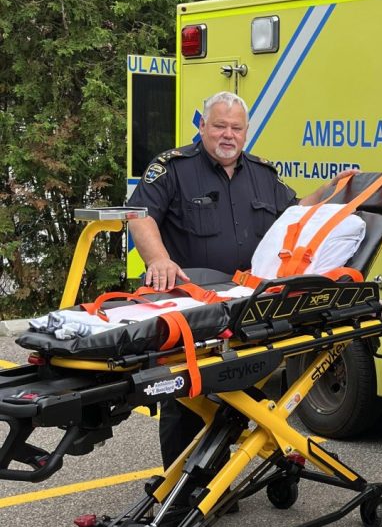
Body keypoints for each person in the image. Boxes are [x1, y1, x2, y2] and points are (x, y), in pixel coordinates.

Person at [127, 91, 345, 468]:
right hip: (193, 309)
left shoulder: (263, 175)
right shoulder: (173, 168)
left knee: (239, 392)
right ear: (202, 127)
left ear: (246, 133)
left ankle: (220, 482)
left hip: (247, 309)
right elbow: (139, 214)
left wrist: (330, 192)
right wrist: (159, 259)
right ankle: (180, 489)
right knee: (187, 398)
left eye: (236, 128)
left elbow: (292, 216)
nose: (228, 135)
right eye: (219, 126)